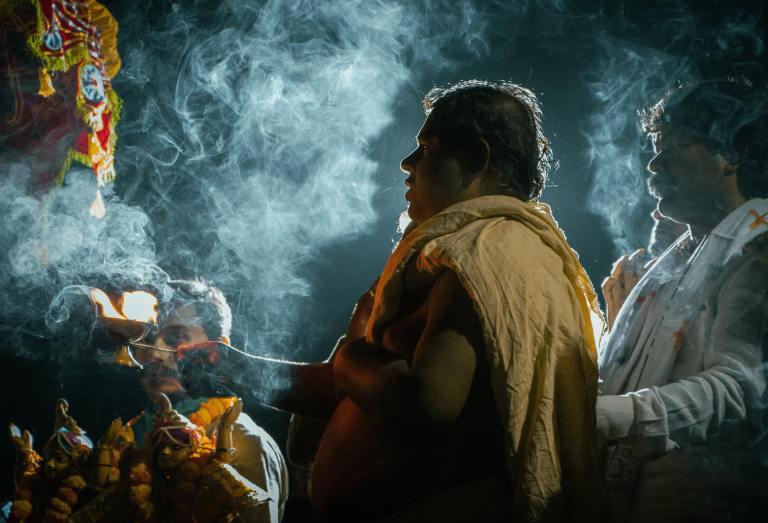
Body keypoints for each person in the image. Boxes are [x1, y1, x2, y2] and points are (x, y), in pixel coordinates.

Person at [237, 80, 610, 522]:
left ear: (476, 158)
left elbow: (427, 402)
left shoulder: (485, 255)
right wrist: (226, 367)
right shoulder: (457, 253)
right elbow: (350, 389)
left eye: (427, 148)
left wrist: (351, 356)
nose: (407, 163)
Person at [597, 79, 768, 522]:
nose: (654, 163)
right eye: (657, 147)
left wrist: (608, 416)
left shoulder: (758, 249)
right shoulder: (681, 249)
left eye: (676, 147)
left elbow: (739, 389)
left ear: (730, 156)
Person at [127, 279, 288, 523]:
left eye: (175, 338)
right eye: (146, 339)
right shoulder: (128, 437)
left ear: (216, 351)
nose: (154, 353)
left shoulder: (239, 436)